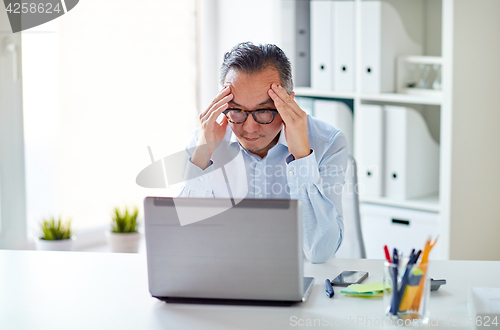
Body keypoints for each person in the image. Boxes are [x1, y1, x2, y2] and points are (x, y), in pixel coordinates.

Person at [179, 42, 348, 263]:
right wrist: (202, 155)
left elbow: (320, 252)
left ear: (288, 102)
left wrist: (301, 157)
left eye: (264, 111)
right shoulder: (207, 139)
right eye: (236, 111)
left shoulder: (328, 143)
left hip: (300, 279)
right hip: (224, 276)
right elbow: (184, 240)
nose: (249, 128)